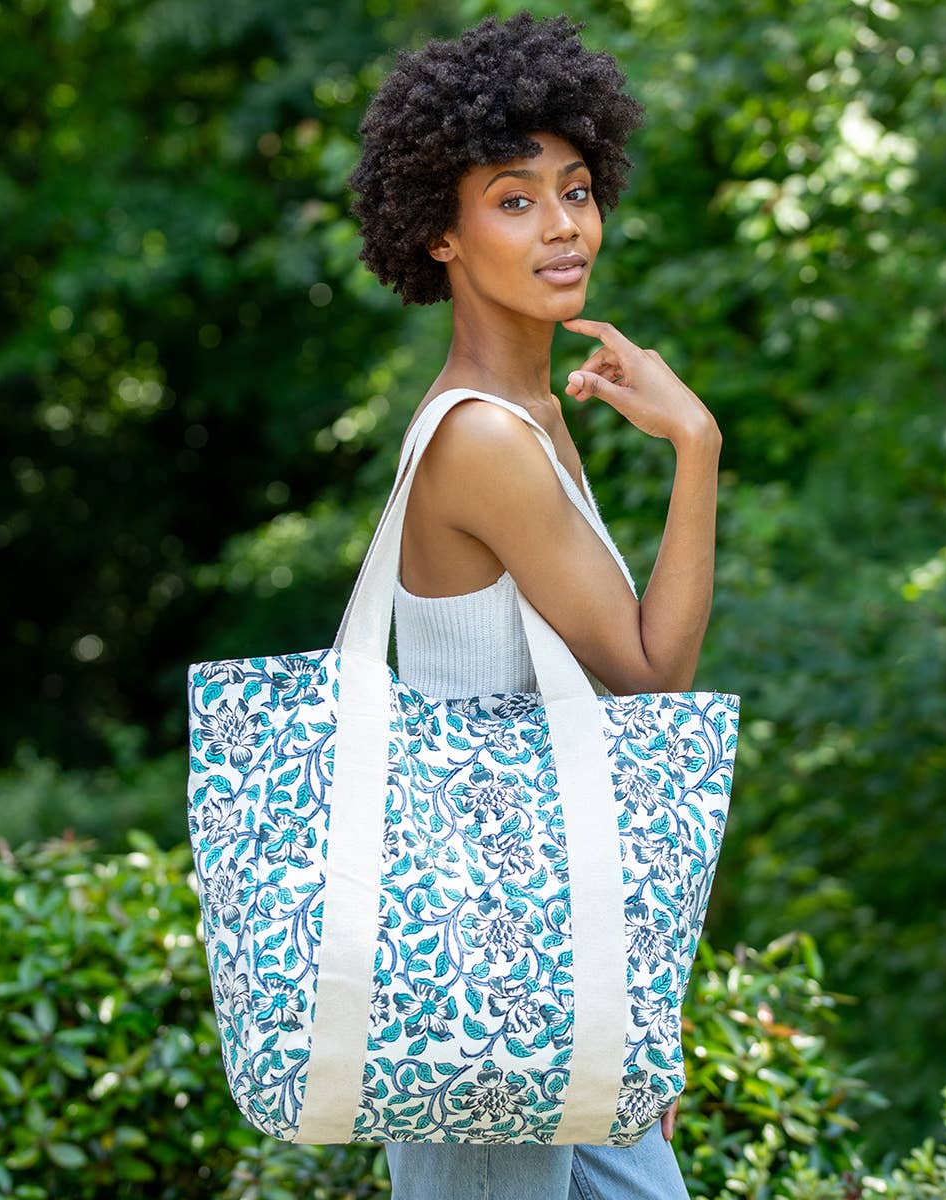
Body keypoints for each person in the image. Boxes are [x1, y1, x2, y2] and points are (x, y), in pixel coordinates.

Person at [346, 11, 721, 1199]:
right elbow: (650, 673)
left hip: (548, 944)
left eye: (574, 189)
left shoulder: (536, 414)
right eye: (513, 199)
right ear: (439, 236)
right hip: (489, 961)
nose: (563, 226)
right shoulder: (484, 443)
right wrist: (698, 446)